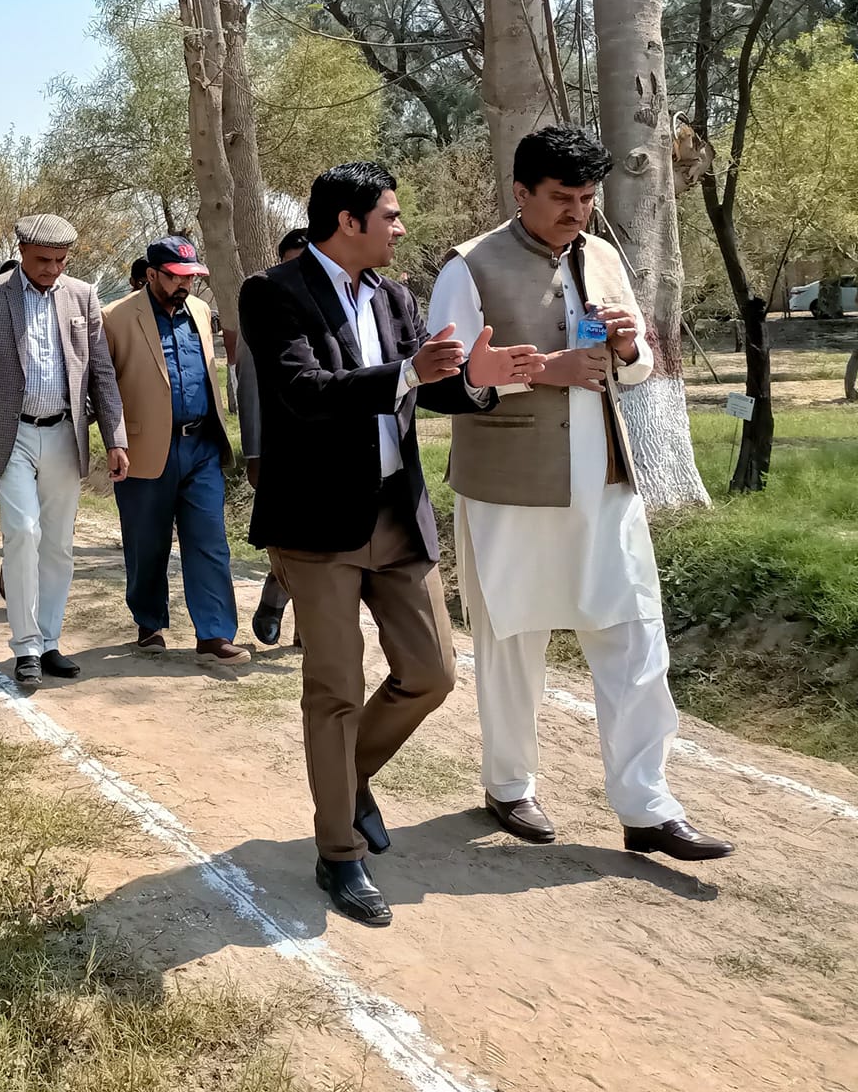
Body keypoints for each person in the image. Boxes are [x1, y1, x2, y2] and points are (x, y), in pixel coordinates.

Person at [240, 161, 533, 927]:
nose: (401, 228)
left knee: (431, 672)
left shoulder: (393, 296)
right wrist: (408, 371)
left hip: (398, 516)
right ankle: (338, 852)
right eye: (391, 216)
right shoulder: (272, 292)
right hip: (317, 527)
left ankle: (349, 779)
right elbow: (302, 392)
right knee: (335, 689)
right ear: (349, 222)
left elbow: (427, 384)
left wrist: (479, 380)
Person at [430, 126, 733, 863]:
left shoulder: (603, 256)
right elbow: (444, 383)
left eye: (588, 197)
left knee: (635, 634)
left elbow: (637, 368)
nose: (577, 212)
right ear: (521, 192)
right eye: (562, 197)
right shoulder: (470, 267)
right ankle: (509, 786)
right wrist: (543, 370)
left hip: (606, 481)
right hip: (509, 487)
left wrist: (628, 349)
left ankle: (647, 807)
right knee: (512, 641)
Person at [0, 215, 128, 689]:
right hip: (11, 436)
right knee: (23, 532)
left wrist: (116, 439)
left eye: (61, 260)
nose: (53, 268)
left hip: (65, 434)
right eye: (44, 259)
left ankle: (49, 641)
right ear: (23, 251)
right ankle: (25, 646)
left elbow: (101, 373)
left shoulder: (83, 296)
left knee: (58, 544)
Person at [103, 235, 244, 663]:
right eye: (176, 277)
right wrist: (114, 441)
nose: (185, 284)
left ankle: (214, 634)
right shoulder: (115, 317)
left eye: (190, 277)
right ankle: (149, 622)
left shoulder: (200, 311)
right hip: (144, 448)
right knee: (147, 543)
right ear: (151, 274)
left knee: (210, 541)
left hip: (201, 445)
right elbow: (102, 388)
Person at [238, 227, 311, 647]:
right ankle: (277, 591)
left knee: (322, 541)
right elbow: (248, 386)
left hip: (335, 448)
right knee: (289, 536)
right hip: (279, 450)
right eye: (291, 263)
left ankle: (306, 628)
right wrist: (254, 452)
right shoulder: (263, 303)